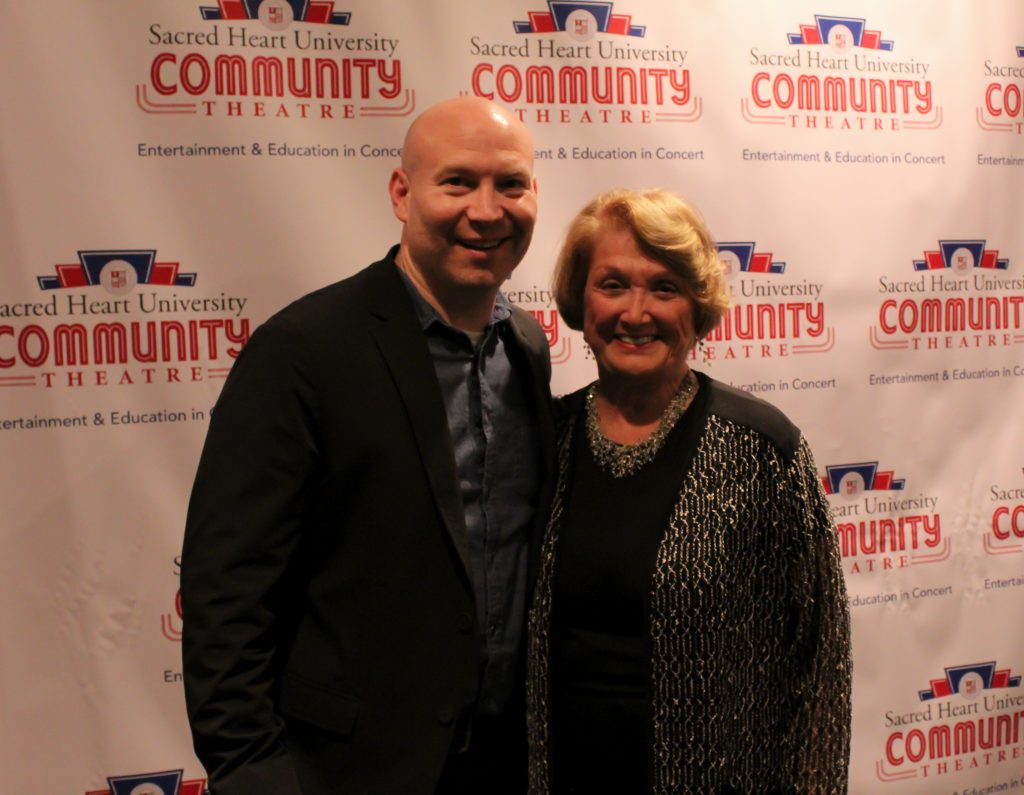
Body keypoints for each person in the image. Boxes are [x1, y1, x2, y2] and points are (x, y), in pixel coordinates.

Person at [181, 96, 555, 795]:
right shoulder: (303, 350)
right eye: (457, 182)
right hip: (344, 772)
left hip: (502, 764)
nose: (486, 209)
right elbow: (226, 592)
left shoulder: (528, 347)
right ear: (401, 192)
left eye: (511, 184)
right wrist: (255, 774)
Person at [525, 188, 851, 794]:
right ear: (580, 300)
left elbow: (822, 656)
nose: (636, 311)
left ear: (698, 307)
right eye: (613, 284)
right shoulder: (546, 439)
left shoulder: (761, 449)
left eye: (664, 287)